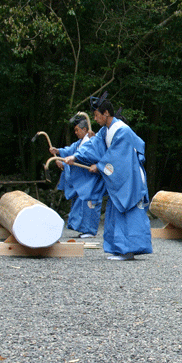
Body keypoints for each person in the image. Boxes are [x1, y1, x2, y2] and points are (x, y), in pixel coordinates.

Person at [64, 97, 152, 260]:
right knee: (115, 210)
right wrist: (75, 156)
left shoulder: (122, 130)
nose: (95, 119)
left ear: (105, 113)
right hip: (121, 177)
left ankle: (127, 251)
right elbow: (92, 146)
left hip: (130, 177)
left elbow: (118, 156)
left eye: (96, 115)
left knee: (127, 211)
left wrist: (100, 166)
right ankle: (119, 249)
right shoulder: (105, 130)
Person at [50, 115, 105, 238]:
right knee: (80, 204)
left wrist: (65, 162)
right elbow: (70, 151)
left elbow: (86, 156)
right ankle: (83, 228)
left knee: (90, 204)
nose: (75, 132)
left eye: (77, 130)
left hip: (91, 178)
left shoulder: (92, 140)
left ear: (84, 129)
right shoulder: (80, 143)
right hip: (83, 180)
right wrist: (58, 152)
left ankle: (90, 230)